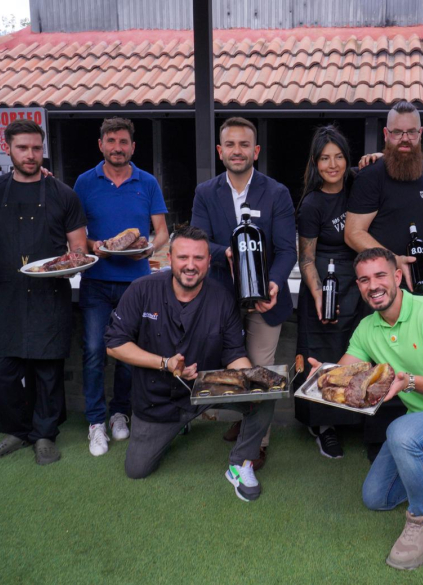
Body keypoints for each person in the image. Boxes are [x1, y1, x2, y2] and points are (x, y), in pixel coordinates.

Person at [308, 247, 423, 570]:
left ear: (397, 277)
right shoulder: (367, 328)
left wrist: (409, 382)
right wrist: (322, 377)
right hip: (419, 423)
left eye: (380, 275)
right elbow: (345, 371)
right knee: (375, 497)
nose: (372, 285)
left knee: (400, 432)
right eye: (364, 279)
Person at [104, 226, 275, 501]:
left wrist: (252, 379)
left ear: (209, 261)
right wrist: (165, 363)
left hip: (205, 390)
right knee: (137, 469)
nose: (191, 266)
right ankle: (172, 428)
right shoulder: (141, 290)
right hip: (156, 399)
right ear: (169, 258)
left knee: (265, 395)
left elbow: (233, 353)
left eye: (198, 258)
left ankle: (240, 463)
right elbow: (114, 345)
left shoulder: (222, 298)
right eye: (183, 257)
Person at [0, 119, 88, 466]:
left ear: (43, 150)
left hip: (48, 292)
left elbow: (78, 248)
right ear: (8, 148)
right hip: (4, 291)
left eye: (36, 148)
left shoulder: (63, 194)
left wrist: (72, 262)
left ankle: (44, 435)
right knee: (3, 369)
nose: (31, 154)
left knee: (47, 371)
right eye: (23, 148)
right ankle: (17, 431)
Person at [190, 117, 297, 469]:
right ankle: (244, 418)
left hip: (264, 298)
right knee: (233, 368)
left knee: (261, 370)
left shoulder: (276, 192)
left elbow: (286, 249)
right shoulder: (206, 192)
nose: (238, 151)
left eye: (244, 144)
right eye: (230, 145)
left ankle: (257, 443)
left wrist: (276, 282)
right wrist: (229, 253)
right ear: (221, 152)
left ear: (256, 151)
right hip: (221, 296)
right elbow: (200, 240)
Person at [344, 100, 423, 461]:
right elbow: (353, 232)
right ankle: (378, 442)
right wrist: (392, 260)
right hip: (382, 291)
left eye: (412, 132)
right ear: (386, 135)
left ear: (421, 134)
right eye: (397, 132)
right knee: (380, 366)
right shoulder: (371, 176)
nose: (405, 138)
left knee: (422, 366)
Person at [73, 117, 169, 457]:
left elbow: (161, 231)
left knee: (130, 356)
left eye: (124, 141)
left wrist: (150, 249)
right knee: (95, 351)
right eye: (111, 141)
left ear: (132, 146)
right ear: (101, 144)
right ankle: (96, 422)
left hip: (137, 285)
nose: (117, 147)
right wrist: (95, 245)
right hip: (97, 282)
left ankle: (119, 413)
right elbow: (77, 233)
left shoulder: (147, 182)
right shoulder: (84, 182)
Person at [295, 125, 364, 458]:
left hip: (357, 284)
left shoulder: (358, 188)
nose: (332, 165)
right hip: (322, 283)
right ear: (315, 162)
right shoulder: (311, 204)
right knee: (322, 351)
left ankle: (353, 416)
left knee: (353, 347)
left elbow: (380, 170)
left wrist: (376, 158)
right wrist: (319, 292)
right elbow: (305, 257)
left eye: (338, 157)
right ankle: (323, 425)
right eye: (325, 158)